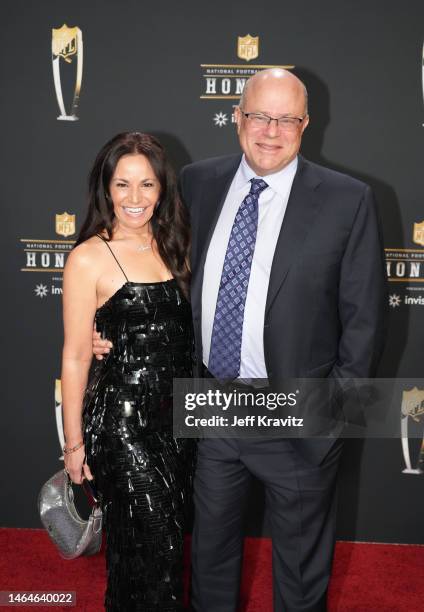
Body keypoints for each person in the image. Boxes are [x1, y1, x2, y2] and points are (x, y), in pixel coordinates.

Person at [94, 70, 388, 611]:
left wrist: (329, 425)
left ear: (306, 124)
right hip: (213, 408)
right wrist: (103, 324)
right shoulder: (198, 182)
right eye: (258, 116)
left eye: (286, 119)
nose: (270, 131)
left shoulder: (349, 201)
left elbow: (364, 322)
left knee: (300, 580)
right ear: (237, 118)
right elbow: (138, 255)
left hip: (296, 414)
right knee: (209, 562)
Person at [61, 132, 195, 611]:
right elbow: (76, 355)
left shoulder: (176, 244)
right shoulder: (88, 257)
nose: (134, 199)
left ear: (162, 190)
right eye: (123, 185)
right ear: (106, 189)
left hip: (178, 426)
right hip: (122, 428)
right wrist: (73, 445)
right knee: (152, 549)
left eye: (147, 185)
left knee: (158, 553)